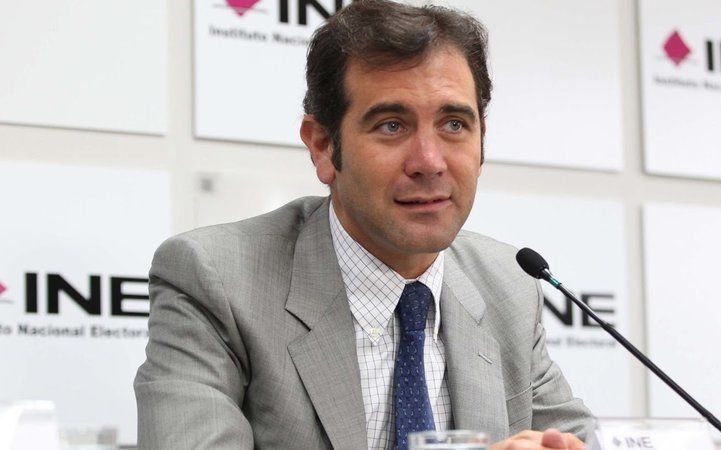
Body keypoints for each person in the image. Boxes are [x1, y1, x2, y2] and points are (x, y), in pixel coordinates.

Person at [134, 1, 594, 449]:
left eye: (454, 124)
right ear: (322, 146)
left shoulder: (508, 286)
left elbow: (582, 440)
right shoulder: (216, 280)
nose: (429, 162)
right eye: (392, 126)